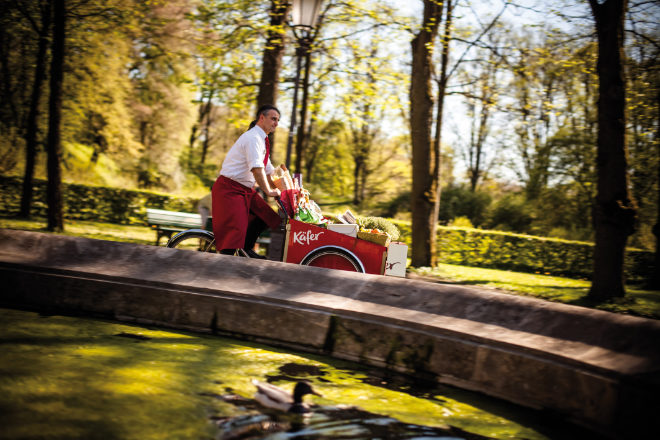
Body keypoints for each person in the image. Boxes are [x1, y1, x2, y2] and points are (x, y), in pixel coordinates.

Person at [211, 104, 282, 258]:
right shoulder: (253, 138)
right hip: (229, 189)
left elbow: (269, 170)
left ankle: (246, 250)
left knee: (267, 215)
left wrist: (286, 189)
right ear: (262, 118)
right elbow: (257, 169)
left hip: (243, 189)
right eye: (273, 119)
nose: (276, 123)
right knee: (233, 235)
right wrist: (269, 191)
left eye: (278, 120)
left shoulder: (261, 140)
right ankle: (223, 267)